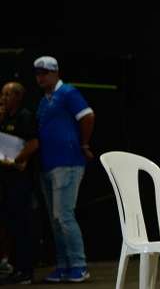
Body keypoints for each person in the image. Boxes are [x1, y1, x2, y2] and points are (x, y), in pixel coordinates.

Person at [33, 56, 95, 283]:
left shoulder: (68, 93)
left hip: (68, 163)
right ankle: (63, 265)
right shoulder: (44, 101)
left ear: (55, 72)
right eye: (37, 74)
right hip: (48, 165)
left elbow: (87, 116)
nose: (40, 77)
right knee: (55, 219)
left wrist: (84, 144)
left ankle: (79, 264)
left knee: (63, 216)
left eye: (44, 73)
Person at [0, 82, 38, 285]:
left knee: (22, 224)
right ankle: (14, 267)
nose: (3, 98)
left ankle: (26, 270)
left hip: (20, 179)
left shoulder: (25, 116)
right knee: (9, 224)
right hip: (5, 179)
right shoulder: (4, 117)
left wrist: (17, 159)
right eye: (2, 94)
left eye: (7, 94)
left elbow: (33, 143)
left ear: (17, 97)